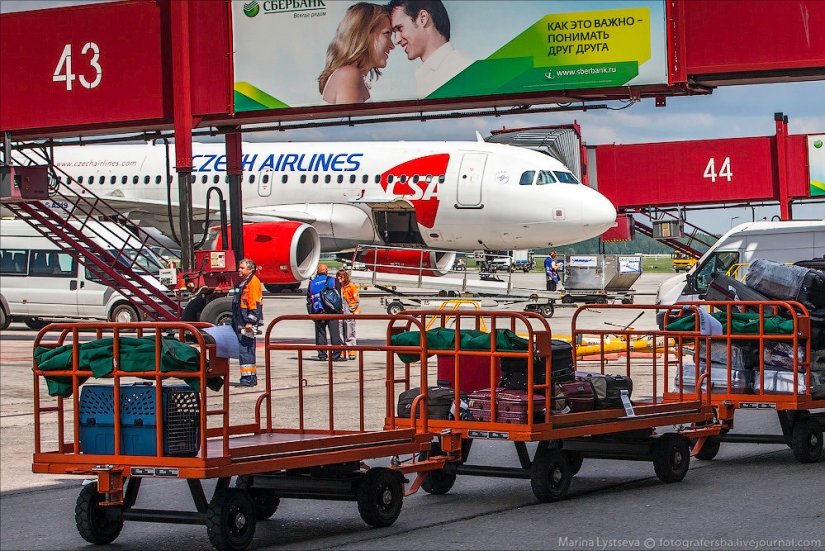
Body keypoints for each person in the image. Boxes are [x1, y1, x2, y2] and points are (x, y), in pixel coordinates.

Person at [386, 0, 472, 98]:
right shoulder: (426, 73)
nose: (396, 40)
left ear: (423, 18)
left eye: (400, 29)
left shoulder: (461, 70)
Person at [318, 3, 395, 104]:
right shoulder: (349, 75)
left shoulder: (350, 75)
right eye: (387, 33)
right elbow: (349, 119)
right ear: (364, 34)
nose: (392, 45)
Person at [232, 258, 263, 387]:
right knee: (244, 350)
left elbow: (254, 304)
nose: (239, 270)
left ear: (250, 269)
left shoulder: (253, 283)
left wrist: (250, 322)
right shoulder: (244, 282)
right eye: (239, 267)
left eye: (242, 268)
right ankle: (248, 377)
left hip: (246, 322)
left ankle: (248, 378)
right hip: (240, 320)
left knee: (246, 350)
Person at [307, 264, 345, 361]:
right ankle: (336, 355)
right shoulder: (333, 281)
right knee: (335, 333)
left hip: (318, 311)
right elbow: (338, 297)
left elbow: (309, 300)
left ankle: (322, 355)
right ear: (326, 271)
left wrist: (311, 314)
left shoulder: (312, 283)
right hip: (332, 311)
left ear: (317, 271)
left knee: (320, 334)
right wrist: (340, 311)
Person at [337, 269, 361, 360]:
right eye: (338, 276)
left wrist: (350, 310)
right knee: (340, 331)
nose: (339, 278)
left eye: (341, 276)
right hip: (340, 311)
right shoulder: (339, 287)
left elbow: (356, 300)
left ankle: (352, 351)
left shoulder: (351, 287)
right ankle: (342, 351)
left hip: (349, 312)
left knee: (349, 331)